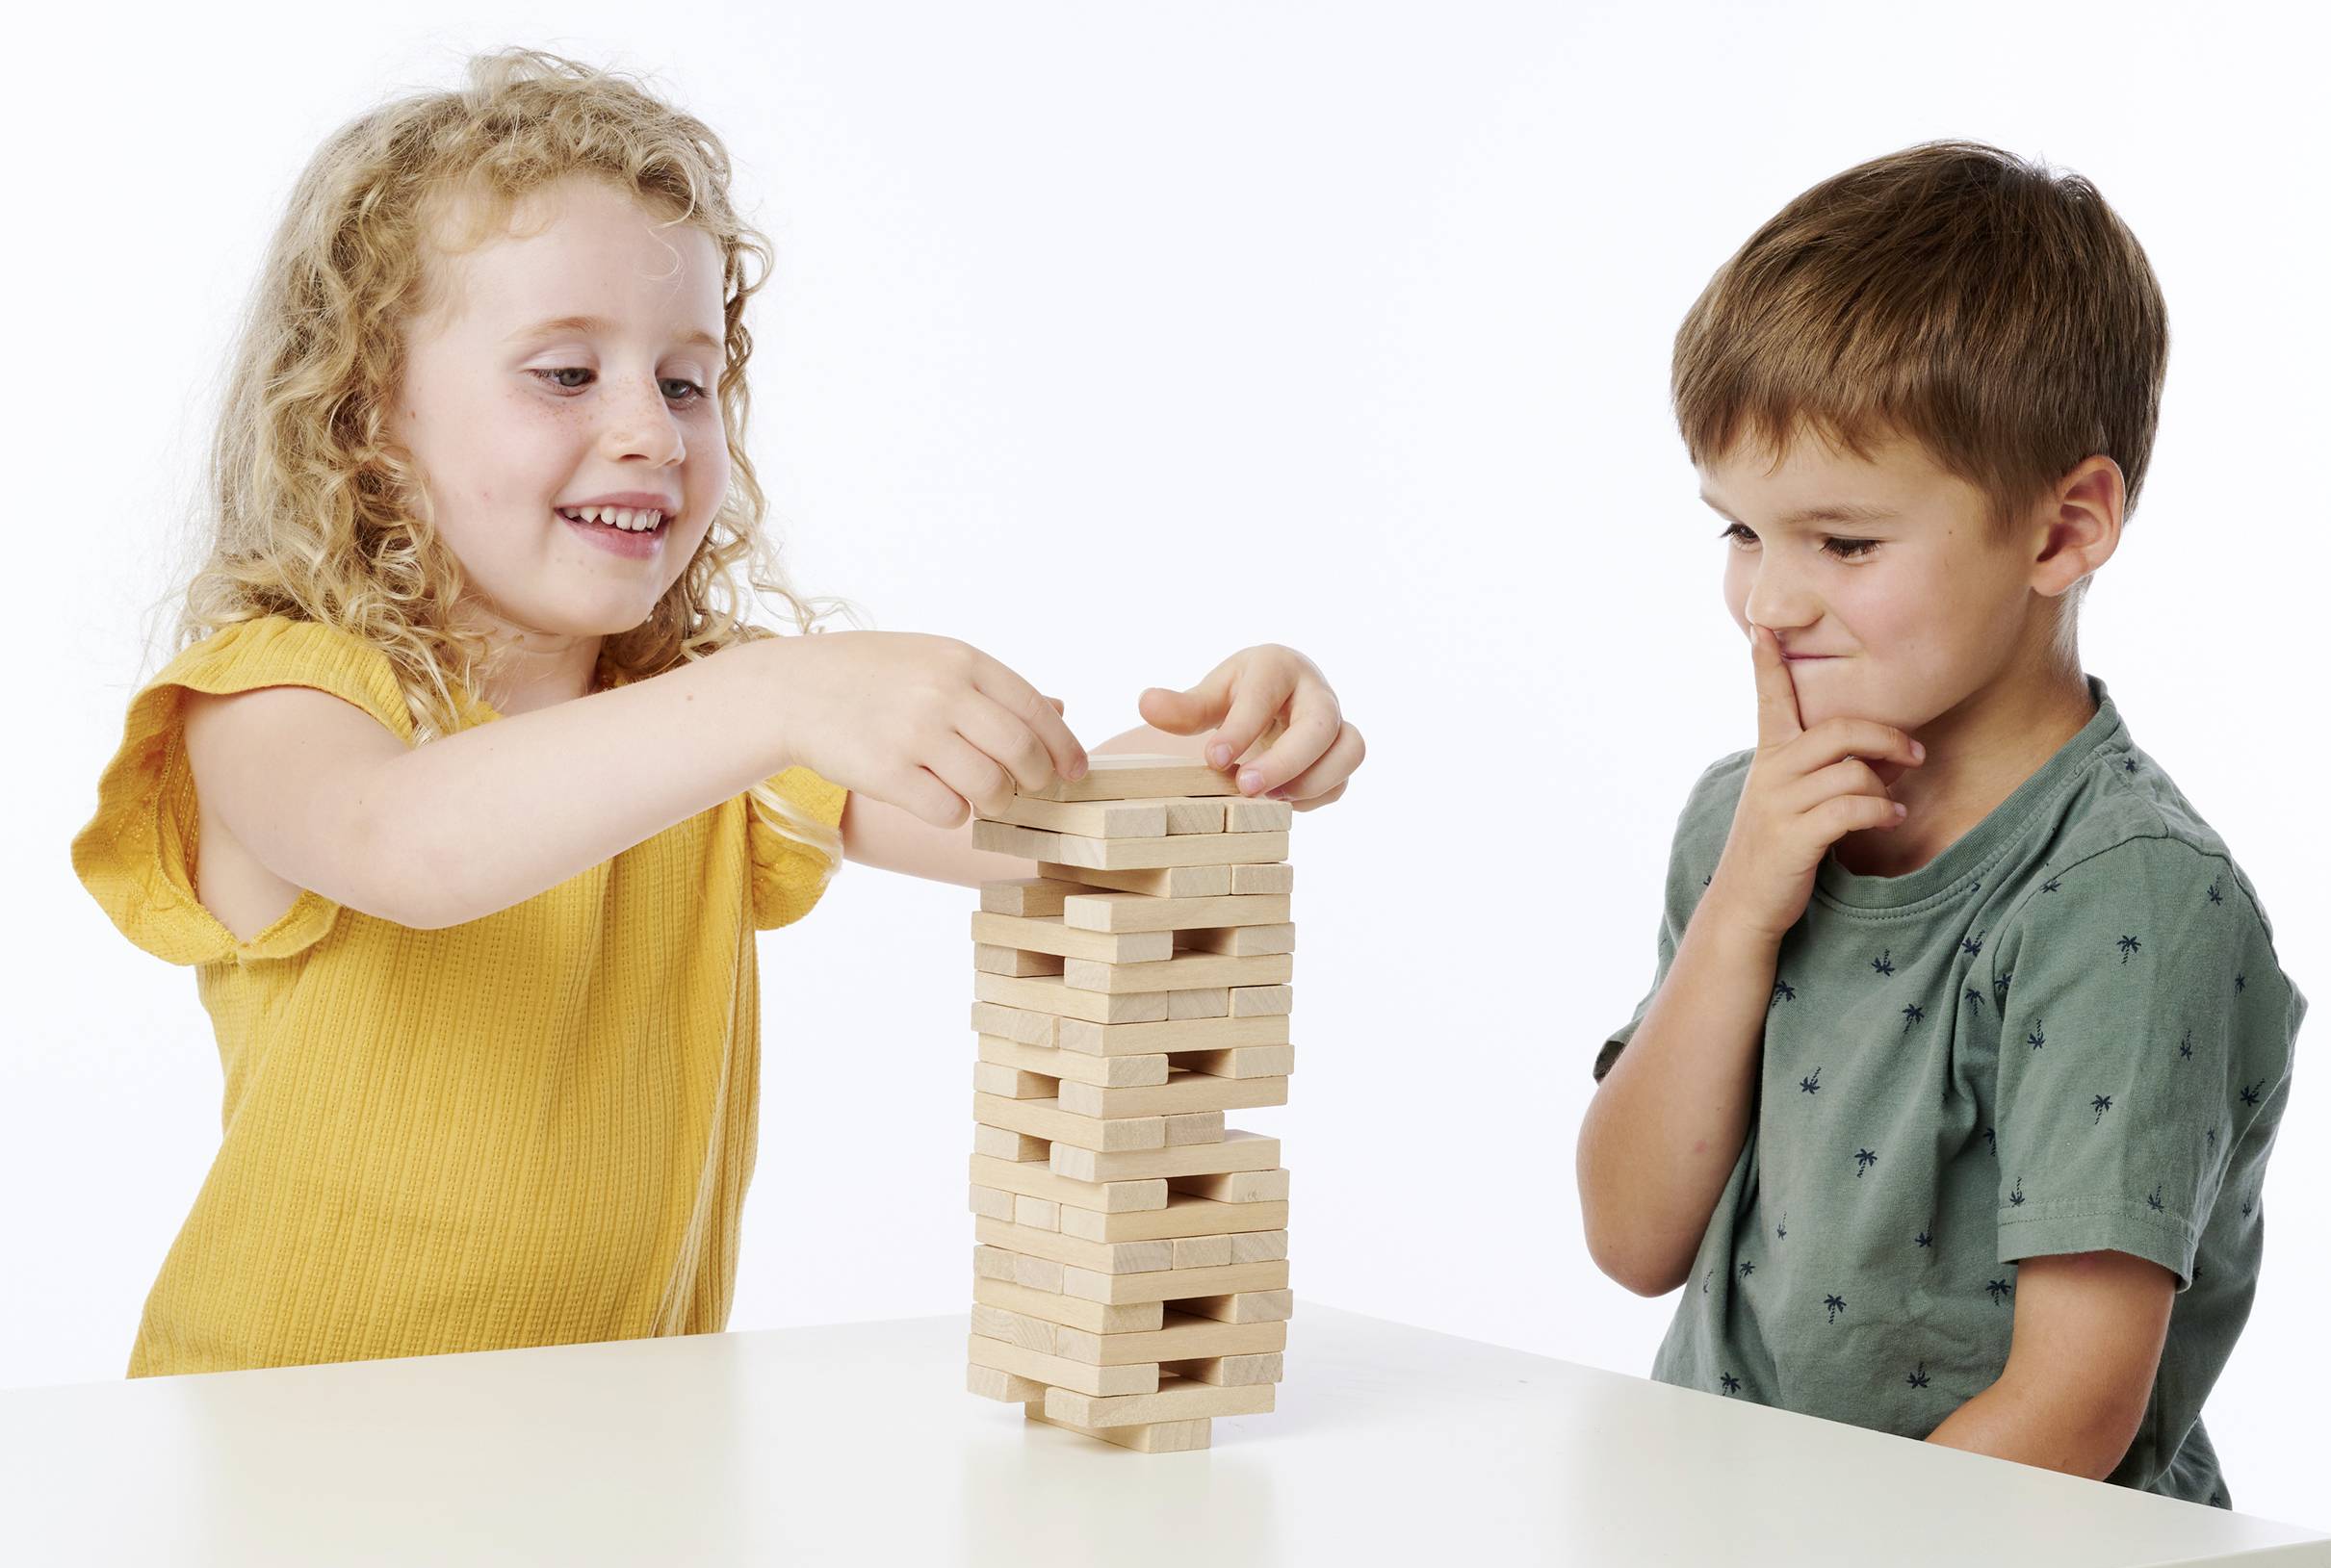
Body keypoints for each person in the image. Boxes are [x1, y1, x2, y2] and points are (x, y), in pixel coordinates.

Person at [69, 48, 1364, 1379]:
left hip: (620, 1457)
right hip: (279, 1463)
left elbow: (1028, 823)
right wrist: (772, 694)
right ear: (362, 418)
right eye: (567, 374)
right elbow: (412, 850)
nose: (653, 430)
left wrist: (1228, 746)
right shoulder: (272, 694)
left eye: (687, 381)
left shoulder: (707, 722)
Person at [1573, 140, 2304, 1506]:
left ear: (2061, 531)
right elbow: (1632, 1234)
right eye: (1739, 531)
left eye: (1843, 544)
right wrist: (1738, 910)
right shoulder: (1743, 822)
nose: (1767, 603)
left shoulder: (2123, 892)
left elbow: (2072, 1406)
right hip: (1746, 1542)